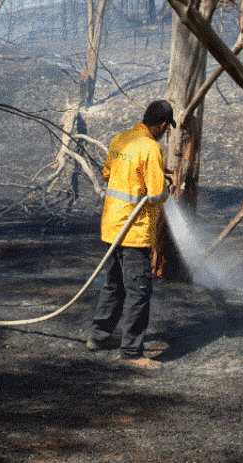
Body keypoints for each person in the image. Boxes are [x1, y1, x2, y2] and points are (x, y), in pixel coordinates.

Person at [85, 100, 175, 371]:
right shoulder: (150, 147)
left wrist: (153, 173)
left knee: (113, 284)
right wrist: (167, 182)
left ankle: (98, 337)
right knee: (139, 291)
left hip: (112, 226)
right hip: (133, 232)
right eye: (165, 128)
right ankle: (131, 352)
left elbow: (108, 174)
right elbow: (157, 195)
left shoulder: (121, 139)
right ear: (161, 125)